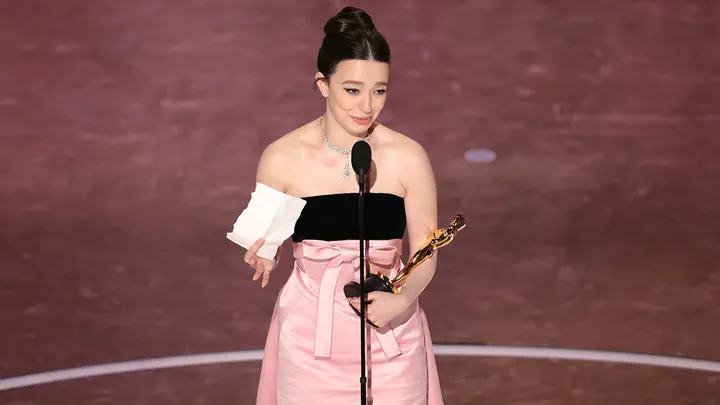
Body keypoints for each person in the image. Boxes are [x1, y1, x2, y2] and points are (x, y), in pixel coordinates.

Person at [242, 6, 443, 405]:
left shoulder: (408, 157)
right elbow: (264, 238)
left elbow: (427, 251)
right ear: (323, 84)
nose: (367, 106)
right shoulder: (282, 157)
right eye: (352, 90)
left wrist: (401, 300)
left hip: (391, 334)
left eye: (379, 90)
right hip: (311, 341)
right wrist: (264, 252)